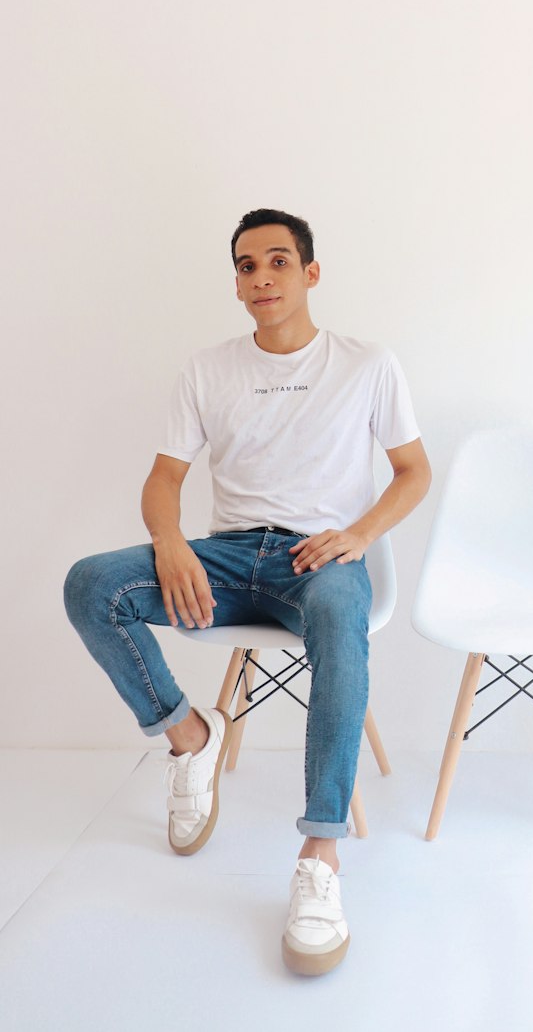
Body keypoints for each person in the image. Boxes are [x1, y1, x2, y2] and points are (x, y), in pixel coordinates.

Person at [64, 207, 431, 975]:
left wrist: (358, 537)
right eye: (245, 266)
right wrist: (171, 544)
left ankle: (321, 855)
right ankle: (189, 738)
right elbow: (166, 478)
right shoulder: (208, 368)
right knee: (92, 585)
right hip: (227, 559)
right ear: (235, 283)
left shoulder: (367, 365)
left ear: (310, 273)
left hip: (319, 558)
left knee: (338, 618)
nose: (260, 277)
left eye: (277, 262)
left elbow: (413, 471)